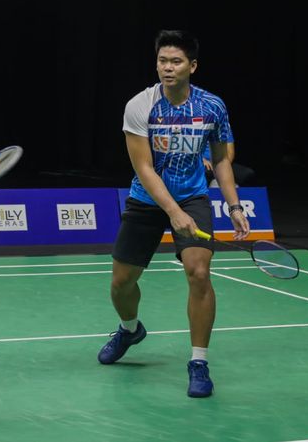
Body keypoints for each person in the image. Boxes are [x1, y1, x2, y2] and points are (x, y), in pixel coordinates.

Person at [97, 30, 250, 398]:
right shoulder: (140, 105)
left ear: (192, 66)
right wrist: (173, 212)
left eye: (176, 61)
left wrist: (233, 205)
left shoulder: (212, 107)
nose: (167, 68)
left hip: (194, 195)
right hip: (148, 198)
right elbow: (144, 168)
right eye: (162, 61)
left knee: (199, 273)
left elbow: (221, 160)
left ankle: (198, 361)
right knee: (121, 283)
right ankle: (130, 328)